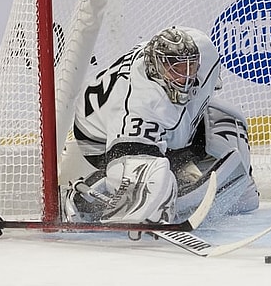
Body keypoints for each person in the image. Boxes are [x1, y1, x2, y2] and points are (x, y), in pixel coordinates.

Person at [64, 26, 259, 224]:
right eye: (175, 68)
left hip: (146, 119)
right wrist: (141, 197)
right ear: (155, 66)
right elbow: (125, 160)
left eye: (190, 67)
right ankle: (85, 199)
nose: (184, 75)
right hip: (98, 137)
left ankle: (182, 183)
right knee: (152, 180)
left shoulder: (203, 49)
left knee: (228, 120)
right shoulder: (141, 104)